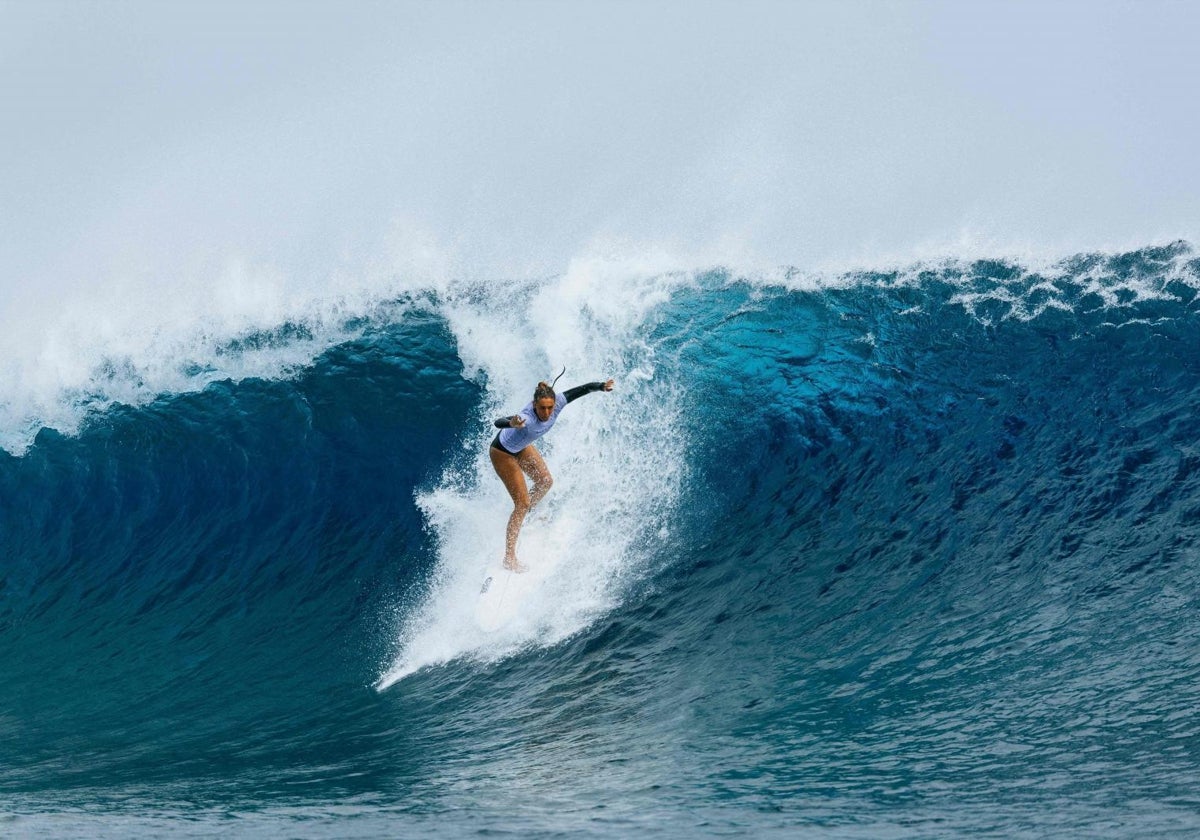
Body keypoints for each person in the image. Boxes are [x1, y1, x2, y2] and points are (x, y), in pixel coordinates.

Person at [490, 374, 614, 571]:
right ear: (534, 405)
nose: (547, 412)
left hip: (521, 446)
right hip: (502, 452)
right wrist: (511, 423)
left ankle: (527, 514)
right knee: (521, 503)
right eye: (542, 408)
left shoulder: (558, 403)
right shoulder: (527, 418)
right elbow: (498, 422)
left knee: (545, 481)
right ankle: (509, 558)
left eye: (550, 407)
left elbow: (582, 389)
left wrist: (601, 386)